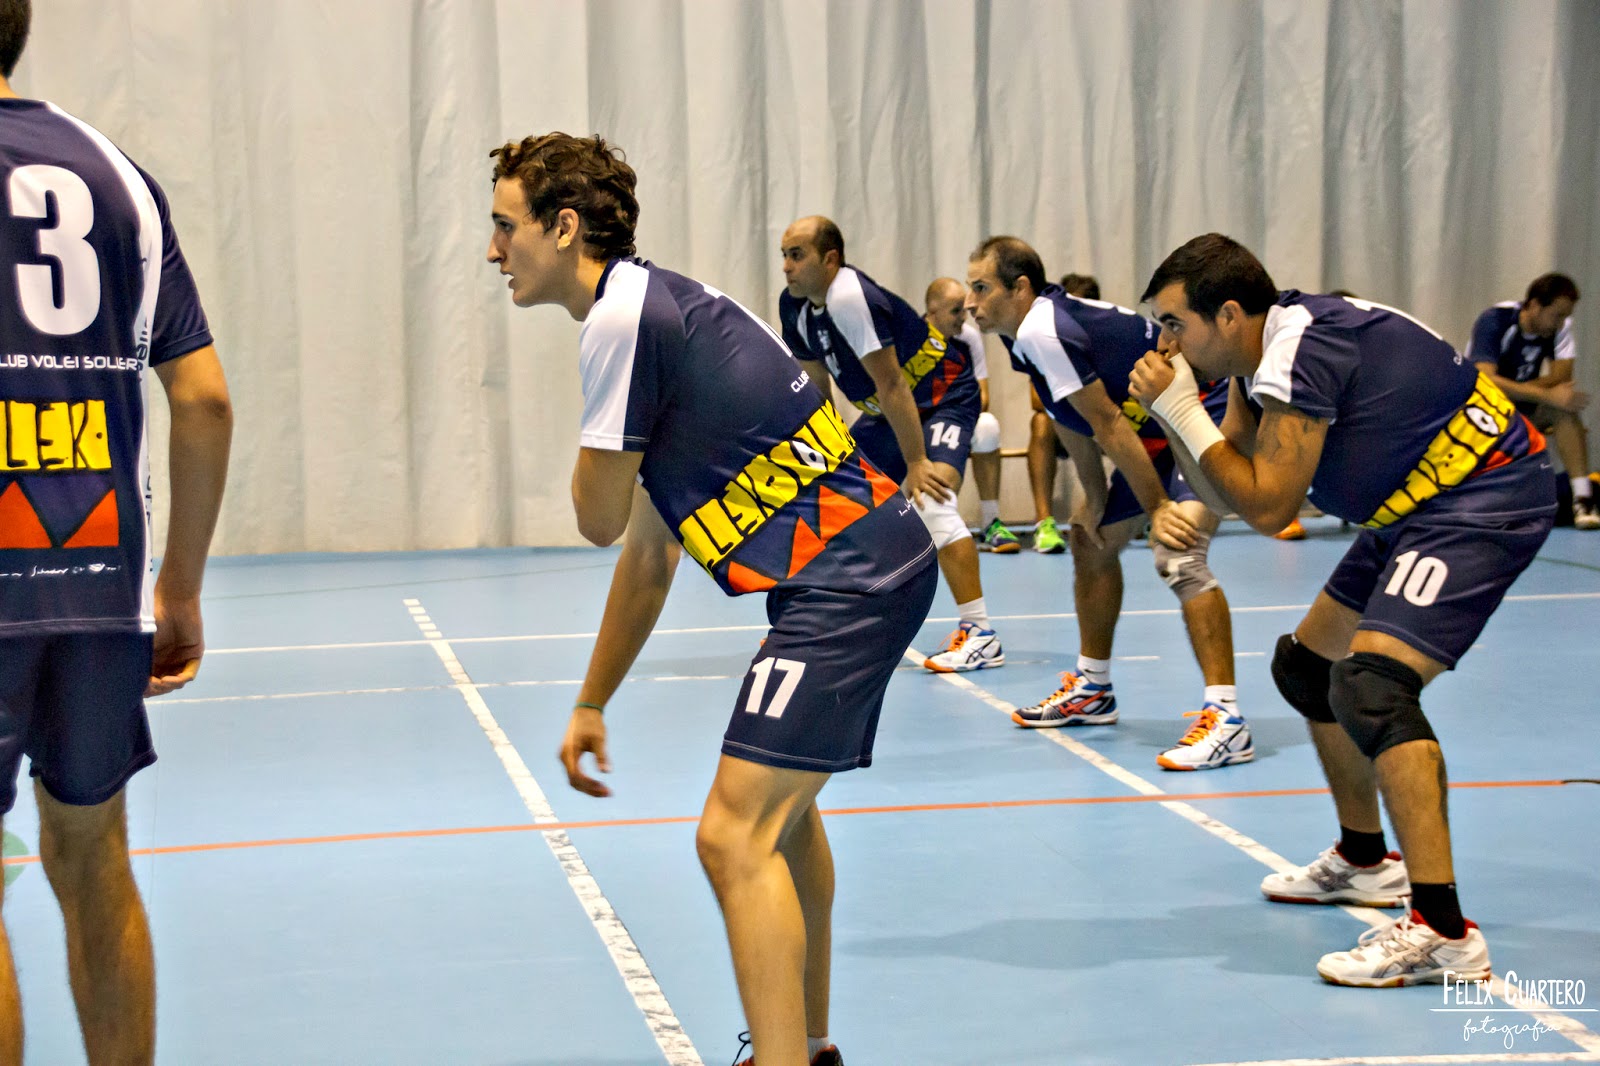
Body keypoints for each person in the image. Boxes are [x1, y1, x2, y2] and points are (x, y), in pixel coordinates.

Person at [488, 134, 936, 1066]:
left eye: (505, 226)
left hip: (850, 580)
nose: (494, 251)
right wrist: (591, 700)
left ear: (563, 228)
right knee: (784, 821)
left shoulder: (620, 323)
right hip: (857, 570)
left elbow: (596, 520)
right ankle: (808, 1047)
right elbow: (648, 556)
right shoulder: (663, 307)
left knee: (733, 837)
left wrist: (603, 435)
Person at [1131, 233, 1553, 985]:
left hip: (1482, 495)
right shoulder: (1257, 359)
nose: (1165, 343)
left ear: (1227, 315)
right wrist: (1188, 488)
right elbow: (1232, 477)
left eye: (1173, 324)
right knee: (1308, 670)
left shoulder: (1301, 350)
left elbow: (1270, 507)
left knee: (1373, 686)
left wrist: (1177, 408)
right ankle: (1365, 860)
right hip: (1415, 505)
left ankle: (1443, 932)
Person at [0, 2, 234, 1060]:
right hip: (99, 577)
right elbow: (205, 400)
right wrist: (177, 587)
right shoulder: (115, 177)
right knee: (93, 857)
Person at [965, 237, 1253, 770]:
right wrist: (1095, 497)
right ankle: (1093, 689)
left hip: (1198, 409)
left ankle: (1227, 718)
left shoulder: (1042, 329)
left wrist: (1159, 506)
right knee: (1089, 540)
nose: (970, 302)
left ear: (1019, 288)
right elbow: (1069, 416)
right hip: (1155, 426)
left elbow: (1109, 422)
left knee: (1179, 554)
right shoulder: (1020, 335)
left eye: (981, 288)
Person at [778, 217, 1002, 673]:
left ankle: (981, 634)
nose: (786, 266)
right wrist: (827, 456)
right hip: (889, 413)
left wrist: (916, 461)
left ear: (830, 259)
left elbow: (893, 383)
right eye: (784, 255)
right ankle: (824, 622)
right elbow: (818, 391)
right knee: (831, 500)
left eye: (797, 255)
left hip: (944, 398)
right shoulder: (794, 306)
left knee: (932, 499)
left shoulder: (848, 296)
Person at [1465, 273, 1596, 529]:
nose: (1561, 323)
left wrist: (1516, 390)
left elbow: (1562, 376)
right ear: (1535, 305)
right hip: (1485, 412)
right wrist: (1544, 393)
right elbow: (1485, 381)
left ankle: (1583, 499)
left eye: (1566, 316)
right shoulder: (1495, 320)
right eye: (1557, 315)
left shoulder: (1560, 328)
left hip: (1523, 410)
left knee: (1564, 407)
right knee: (1554, 399)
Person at [924, 277, 1018, 553]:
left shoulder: (968, 338)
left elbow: (983, 396)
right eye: (955, 311)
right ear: (932, 312)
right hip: (917, 422)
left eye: (963, 310)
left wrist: (951, 416)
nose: (963, 317)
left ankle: (990, 522)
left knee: (987, 427)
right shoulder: (911, 338)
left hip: (957, 417)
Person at [1023, 273, 1102, 553]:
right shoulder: (1043, 340)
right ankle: (1044, 524)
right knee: (1041, 422)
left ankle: (1140, 510)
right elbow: (1037, 400)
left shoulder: (1105, 340)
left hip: (1102, 423)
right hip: (1066, 422)